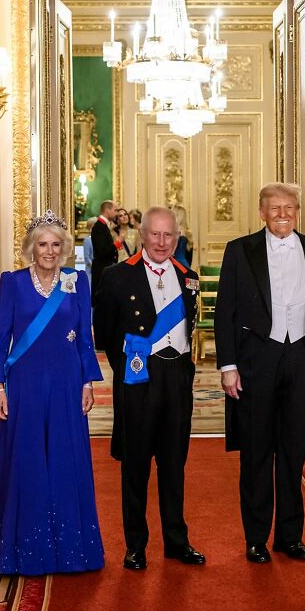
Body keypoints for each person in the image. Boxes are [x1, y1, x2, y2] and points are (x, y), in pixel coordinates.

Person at [215, 183, 305, 564]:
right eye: (275, 208)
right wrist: (228, 366)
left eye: (289, 208)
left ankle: (290, 536)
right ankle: (256, 539)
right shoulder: (240, 251)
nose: (283, 214)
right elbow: (225, 311)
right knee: (256, 453)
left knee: (293, 453)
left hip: (303, 359)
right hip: (257, 361)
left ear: (297, 211)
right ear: (262, 212)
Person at [0, 209, 104, 575]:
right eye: (42, 245)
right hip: (26, 385)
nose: (50, 252)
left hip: (67, 383)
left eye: (56, 245)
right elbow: (2, 338)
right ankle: (24, 551)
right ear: (31, 248)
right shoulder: (13, 282)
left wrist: (87, 383)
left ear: (64, 248)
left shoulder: (76, 281)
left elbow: (84, 338)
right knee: (28, 462)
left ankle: (72, 552)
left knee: (66, 461)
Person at [94, 206, 205, 571]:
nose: (161, 241)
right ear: (142, 235)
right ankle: (136, 545)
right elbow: (104, 333)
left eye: (168, 235)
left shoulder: (188, 277)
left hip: (177, 378)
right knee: (136, 464)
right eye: (154, 234)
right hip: (138, 378)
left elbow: (189, 327)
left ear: (177, 237)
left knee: (174, 463)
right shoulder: (116, 276)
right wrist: (130, 366)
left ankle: (176, 541)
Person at [91, 200, 118, 307]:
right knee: (102, 303)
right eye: (115, 210)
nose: (116, 213)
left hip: (105, 268)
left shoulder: (104, 225)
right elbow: (102, 251)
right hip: (101, 270)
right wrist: (117, 243)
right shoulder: (99, 226)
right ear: (107, 211)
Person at [82, 216, 97, 289]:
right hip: (91, 271)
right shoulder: (87, 240)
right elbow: (87, 257)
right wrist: (95, 266)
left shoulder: (100, 239)